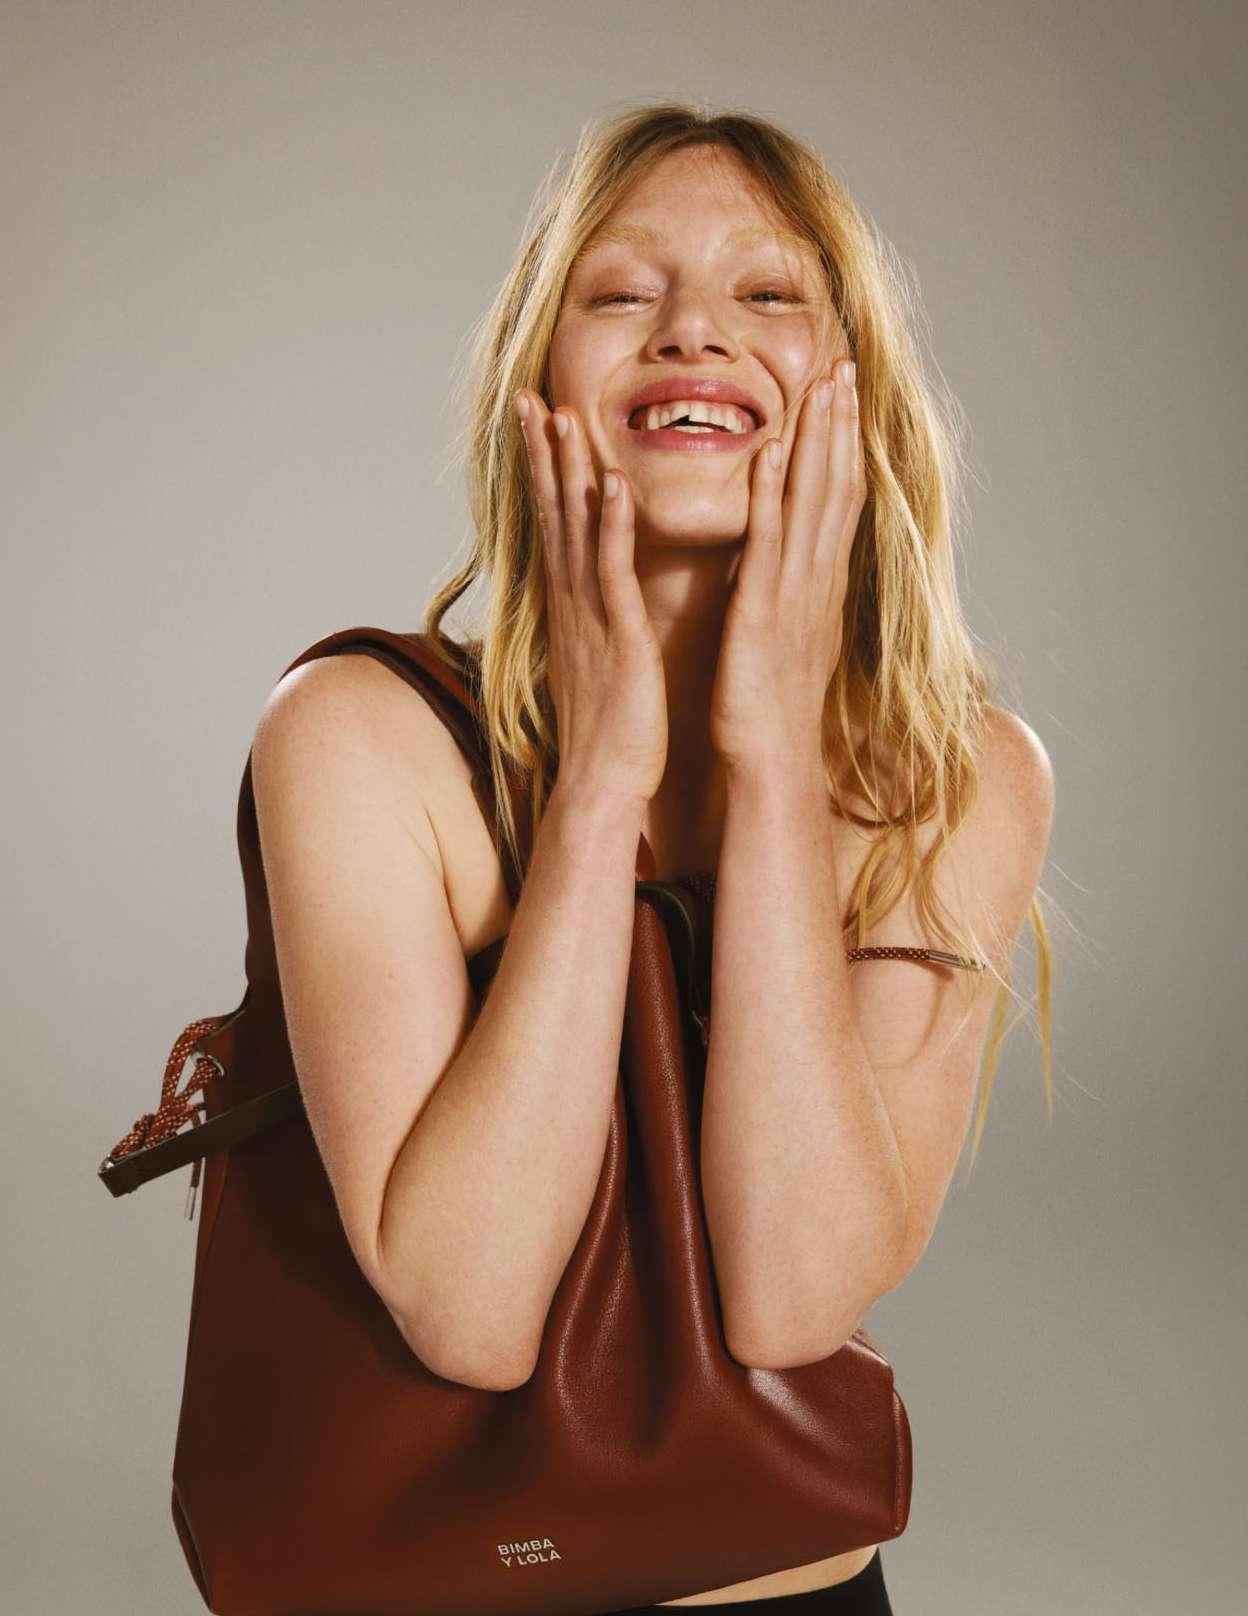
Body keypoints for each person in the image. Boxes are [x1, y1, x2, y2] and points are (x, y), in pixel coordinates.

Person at [250, 102, 1055, 1614]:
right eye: (620, 292)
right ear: (539, 381)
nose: (694, 331)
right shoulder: (357, 735)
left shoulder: (959, 781)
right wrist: (603, 777)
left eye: (769, 293)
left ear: (852, 388)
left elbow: (795, 1297)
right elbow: (469, 1311)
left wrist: (770, 761)